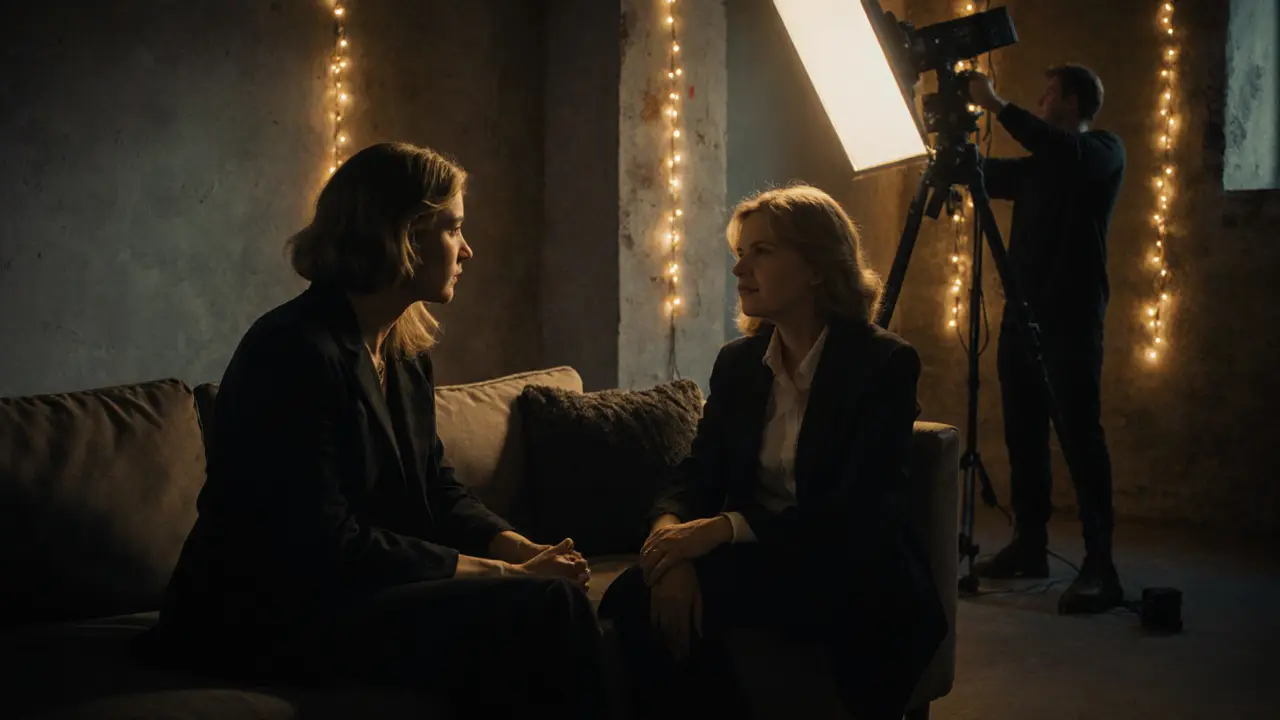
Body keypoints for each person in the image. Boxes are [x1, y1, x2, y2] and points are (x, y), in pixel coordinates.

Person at [135, 142, 605, 716]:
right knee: (543, 608)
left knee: (546, 600)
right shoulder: (292, 350)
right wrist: (505, 575)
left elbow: (435, 485)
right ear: (404, 235)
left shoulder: (404, 353)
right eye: (453, 229)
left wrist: (519, 546)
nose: (469, 250)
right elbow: (324, 541)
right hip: (264, 613)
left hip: (353, 592)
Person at [598, 185, 948, 720]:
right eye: (741, 254)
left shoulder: (882, 365)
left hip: (848, 563)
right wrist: (669, 542)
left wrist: (719, 529)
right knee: (636, 596)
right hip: (765, 561)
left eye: (762, 252)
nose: (740, 270)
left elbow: (854, 511)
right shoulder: (739, 363)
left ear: (817, 268)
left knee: (683, 598)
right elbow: (698, 470)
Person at [966, 65, 1126, 614]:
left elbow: (1063, 154)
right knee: (1024, 436)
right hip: (1020, 318)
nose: (1038, 98)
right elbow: (983, 174)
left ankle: (1101, 564)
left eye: (1049, 91)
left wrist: (995, 103)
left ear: (1077, 100)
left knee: (1081, 437)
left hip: (1072, 322)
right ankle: (1029, 546)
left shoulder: (1102, 152)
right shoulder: (1039, 168)